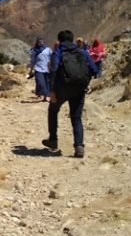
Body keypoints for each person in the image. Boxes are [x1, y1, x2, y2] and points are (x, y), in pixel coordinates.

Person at [42, 30, 98, 158]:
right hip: (79, 89)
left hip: (61, 89)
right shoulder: (82, 52)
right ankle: (79, 146)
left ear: (60, 40)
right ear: (72, 40)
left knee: (53, 111)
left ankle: (53, 140)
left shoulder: (58, 52)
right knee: (76, 118)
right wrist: (85, 82)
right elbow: (94, 69)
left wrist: (51, 90)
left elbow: (54, 69)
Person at [28, 37, 52, 101]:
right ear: (37, 43)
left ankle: (45, 97)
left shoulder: (48, 49)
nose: (40, 43)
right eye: (39, 42)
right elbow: (32, 61)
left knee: (47, 83)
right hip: (38, 68)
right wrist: (31, 70)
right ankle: (40, 94)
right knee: (40, 82)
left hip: (47, 69)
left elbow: (52, 58)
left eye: (42, 41)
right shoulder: (34, 51)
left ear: (44, 42)